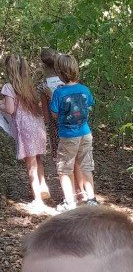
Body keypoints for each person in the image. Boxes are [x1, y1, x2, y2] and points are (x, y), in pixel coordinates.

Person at [0, 52, 50, 212]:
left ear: (9, 69)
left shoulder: (8, 87)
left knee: (30, 165)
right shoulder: (28, 86)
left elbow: (10, 109)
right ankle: (43, 187)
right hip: (38, 126)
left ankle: (38, 200)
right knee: (38, 159)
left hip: (25, 129)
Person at [38, 47, 87, 203]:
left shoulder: (43, 87)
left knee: (65, 163)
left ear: (43, 66)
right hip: (78, 127)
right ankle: (81, 191)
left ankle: (70, 197)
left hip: (59, 129)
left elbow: (47, 116)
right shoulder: (72, 82)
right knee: (77, 160)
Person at [50, 53, 97, 211]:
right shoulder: (84, 89)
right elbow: (89, 105)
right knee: (86, 166)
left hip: (68, 135)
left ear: (59, 73)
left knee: (65, 168)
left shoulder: (59, 92)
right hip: (85, 133)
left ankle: (70, 202)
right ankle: (91, 199)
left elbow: (54, 113)